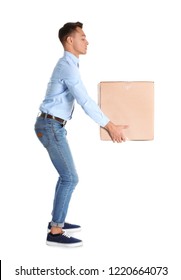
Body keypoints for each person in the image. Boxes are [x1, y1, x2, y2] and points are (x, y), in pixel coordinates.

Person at [34, 21, 128, 247]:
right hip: (50, 126)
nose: (87, 41)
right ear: (70, 40)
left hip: (52, 125)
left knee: (65, 177)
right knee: (70, 178)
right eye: (83, 37)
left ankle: (57, 222)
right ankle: (55, 232)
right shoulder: (67, 66)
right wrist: (109, 125)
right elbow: (85, 101)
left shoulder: (70, 65)